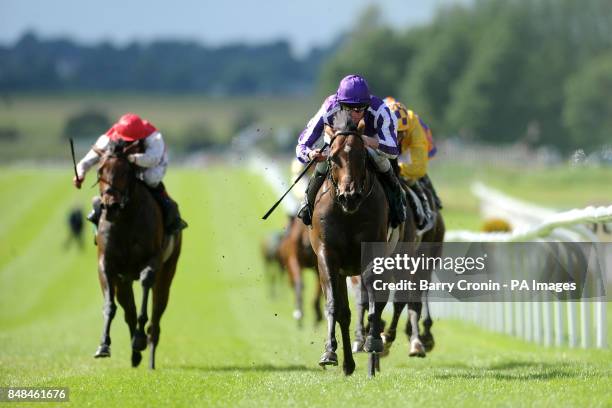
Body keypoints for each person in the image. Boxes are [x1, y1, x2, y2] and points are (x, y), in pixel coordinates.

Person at [295, 74, 406, 228]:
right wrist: (310, 154)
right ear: (340, 104)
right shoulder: (329, 107)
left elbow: (393, 150)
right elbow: (301, 145)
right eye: (348, 108)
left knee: (382, 162)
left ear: (368, 104)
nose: (354, 114)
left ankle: (396, 203)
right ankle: (307, 203)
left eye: (360, 109)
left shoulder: (380, 110)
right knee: (323, 164)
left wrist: (367, 141)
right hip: (336, 140)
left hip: (369, 142)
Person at [72, 113, 187, 234]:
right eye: (124, 140)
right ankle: (99, 212)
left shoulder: (154, 137)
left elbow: (153, 159)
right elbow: (87, 160)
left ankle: (168, 207)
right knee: (113, 175)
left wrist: (133, 158)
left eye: (130, 141)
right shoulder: (108, 138)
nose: (127, 143)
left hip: (154, 163)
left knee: (150, 179)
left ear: (140, 137)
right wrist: (80, 173)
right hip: (127, 162)